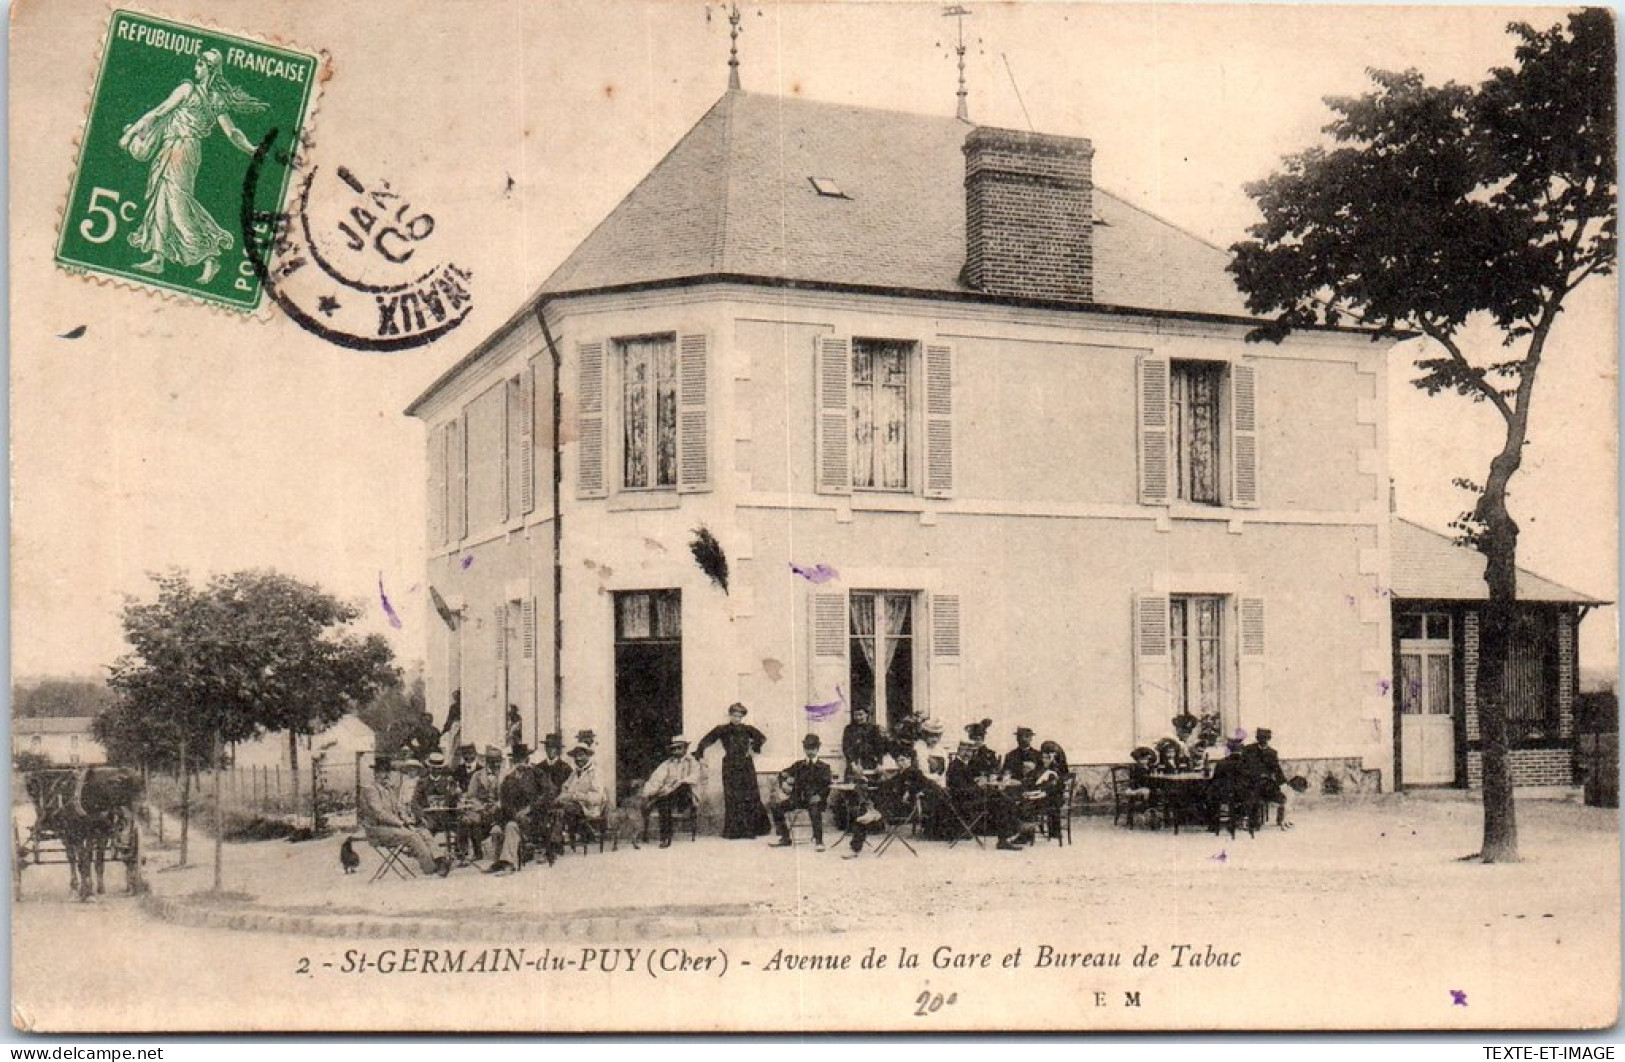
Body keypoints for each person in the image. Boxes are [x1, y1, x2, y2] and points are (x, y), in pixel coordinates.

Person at [117, 48, 266, 284]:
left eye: (199, 64)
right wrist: (250, 149)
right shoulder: (210, 96)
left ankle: (209, 257)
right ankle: (157, 258)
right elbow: (231, 132)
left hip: (183, 151)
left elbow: (158, 113)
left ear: (208, 68)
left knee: (177, 202)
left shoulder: (194, 92)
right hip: (174, 148)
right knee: (162, 199)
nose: (195, 68)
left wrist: (251, 149)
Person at [358, 756, 448, 877]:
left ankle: (440, 860)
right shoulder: (370, 790)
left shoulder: (389, 789)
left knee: (423, 831)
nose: (386, 775)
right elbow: (379, 813)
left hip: (394, 827)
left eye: (387, 772)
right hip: (378, 830)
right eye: (382, 772)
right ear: (376, 773)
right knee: (412, 836)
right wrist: (401, 823)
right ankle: (431, 868)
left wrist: (407, 820)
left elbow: (399, 807)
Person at [695, 703, 771, 839]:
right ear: (730, 715)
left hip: (746, 765)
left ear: (743, 717)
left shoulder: (748, 729)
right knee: (732, 797)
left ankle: (749, 831)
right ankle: (734, 832)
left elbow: (762, 738)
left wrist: (753, 749)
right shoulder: (722, 729)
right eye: (734, 715)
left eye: (740, 716)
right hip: (730, 765)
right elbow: (706, 741)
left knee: (749, 796)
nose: (737, 718)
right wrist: (700, 754)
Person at [843, 750, 925, 859]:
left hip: (904, 810)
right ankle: (855, 847)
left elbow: (920, 784)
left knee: (865, 814)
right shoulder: (899, 775)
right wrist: (867, 781)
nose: (900, 763)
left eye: (903, 760)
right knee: (862, 814)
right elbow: (885, 785)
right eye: (898, 761)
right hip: (892, 807)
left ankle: (855, 847)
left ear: (910, 760)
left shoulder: (915, 772)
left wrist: (909, 791)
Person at [768, 735, 833, 850]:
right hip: (798, 799)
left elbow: (827, 786)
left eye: (813, 748)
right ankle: (785, 837)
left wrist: (820, 796)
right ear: (804, 749)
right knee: (776, 807)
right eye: (808, 748)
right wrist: (783, 784)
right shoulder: (799, 765)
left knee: (814, 809)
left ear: (818, 749)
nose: (810, 751)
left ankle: (819, 841)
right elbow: (783, 774)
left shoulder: (824, 767)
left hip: (815, 799)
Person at [641, 735, 705, 847]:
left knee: (681, 786)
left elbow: (695, 777)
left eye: (679, 748)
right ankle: (665, 837)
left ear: (685, 748)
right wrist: (649, 792)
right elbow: (657, 778)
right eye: (674, 749)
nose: (676, 751)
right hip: (669, 796)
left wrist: (678, 782)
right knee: (663, 802)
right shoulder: (667, 764)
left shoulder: (692, 762)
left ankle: (658, 800)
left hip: (686, 796)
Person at [457, 746, 502, 863]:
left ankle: (499, 853)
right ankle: (469, 853)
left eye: (498, 761)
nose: (496, 764)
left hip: (499, 810)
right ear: (487, 762)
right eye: (493, 761)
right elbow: (471, 795)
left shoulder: (505, 775)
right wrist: (481, 807)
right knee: (467, 820)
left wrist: (497, 805)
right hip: (481, 808)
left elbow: (507, 796)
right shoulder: (477, 775)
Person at [1242, 728, 1293, 829]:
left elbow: (1277, 769)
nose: (1263, 741)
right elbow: (1243, 767)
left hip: (1267, 785)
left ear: (1269, 739)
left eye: (1265, 739)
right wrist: (1253, 776)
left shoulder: (1272, 753)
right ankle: (1252, 821)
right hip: (1251, 783)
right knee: (1253, 797)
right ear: (1257, 738)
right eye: (1261, 738)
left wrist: (1284, 783)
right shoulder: (1248, 750)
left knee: (1283, 797)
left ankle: (1281, 820)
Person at [558, 745, 608, 846]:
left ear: (588, 756)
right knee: (555, 806)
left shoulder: (595, 772)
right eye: (576, 756)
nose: (578, 758)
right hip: (575, 806)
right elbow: (565, 788)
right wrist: (562, 798)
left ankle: (573, 834)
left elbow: (598, 797)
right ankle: (557, 838)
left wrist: (578, 796)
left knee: (565, 808)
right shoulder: (574, 773)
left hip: (589, 808)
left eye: (581, 755)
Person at [411, 751, 461, 844]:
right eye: (433, 768)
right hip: (428, 816)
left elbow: (453, 802)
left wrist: (454, 794)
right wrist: (421, 817)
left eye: (438, 769)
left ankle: (458, 853)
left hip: (445, 817)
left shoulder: (448, 781)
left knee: (461, 825)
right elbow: (414, 802)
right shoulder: (422, 782)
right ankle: (432, 854)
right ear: (429, 768)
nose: (435, 771)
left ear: (441, 769)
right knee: (425, 831)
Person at [1025, 740, 1070, 840]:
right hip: (1046, 797)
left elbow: (1051, 789)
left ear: (1053, 757)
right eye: (1043, 757)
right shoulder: (1043, 767)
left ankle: (1026, 834)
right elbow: (1034, 781)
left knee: (1026, 804)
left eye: (1047, 757)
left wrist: (1036, 793)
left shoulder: (1055, 772)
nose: (1044, 760)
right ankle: (1028, 832)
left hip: (1052, 799)